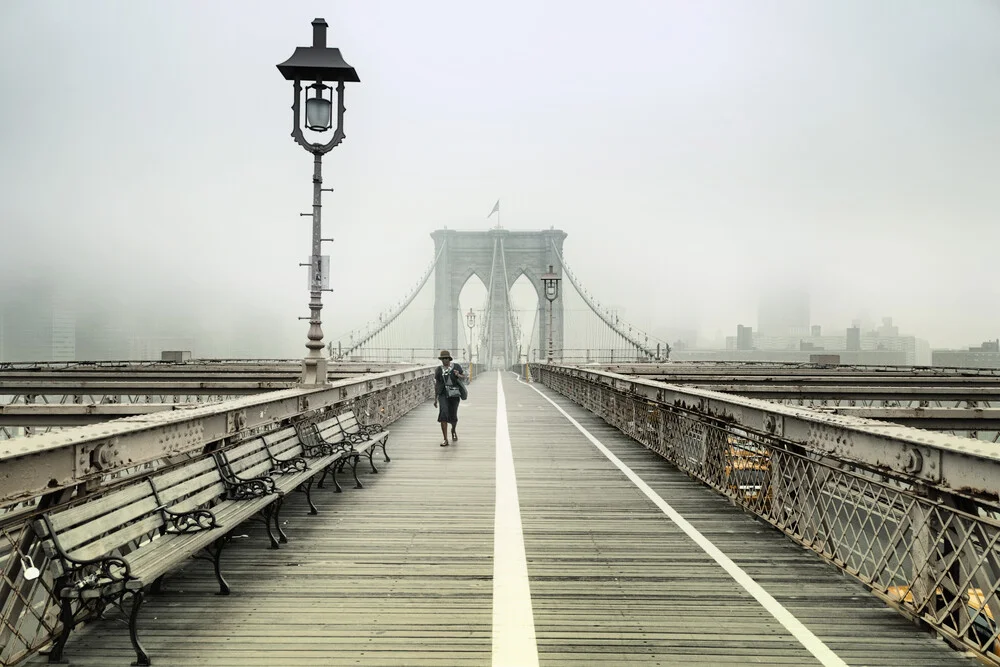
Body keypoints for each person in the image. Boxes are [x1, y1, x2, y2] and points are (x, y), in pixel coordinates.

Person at [433, 350, 466, 446]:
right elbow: (437, 384)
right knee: (443, 414)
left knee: (453, 416)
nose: (445, 360)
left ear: (449, 359)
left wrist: (458, 375)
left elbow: (464, 377)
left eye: (446, 358)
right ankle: (445, 439)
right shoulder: (438, 370)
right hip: (443, 394)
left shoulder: (456, 367)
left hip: (454, 394)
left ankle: (453, 430)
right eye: (443, 358)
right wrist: (435, 399)